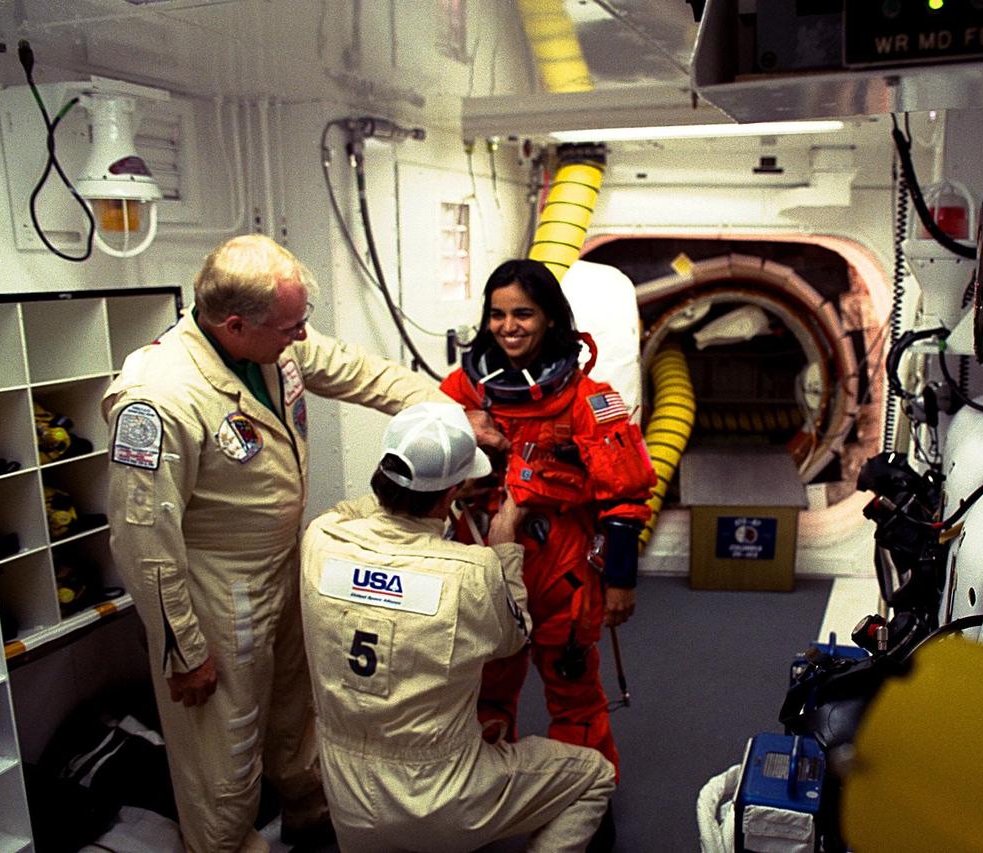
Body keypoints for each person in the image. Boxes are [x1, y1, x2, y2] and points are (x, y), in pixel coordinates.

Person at [101, 234, 487, 853]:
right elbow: (143, 538)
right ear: (234, 324)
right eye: (290, 327)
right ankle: (222, 843)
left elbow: (360, 373)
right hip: (213, 591)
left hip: (284, 567)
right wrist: (184, 649)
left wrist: (446, 414)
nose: (301, 338)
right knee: (222, 751)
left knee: (294, 714)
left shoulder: (271, 347)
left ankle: (308, 816)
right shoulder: (159, 397)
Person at [299, 402, 616, 852]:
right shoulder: (470, 572)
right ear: (452, 495)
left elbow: (367, 509)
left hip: (346, 798)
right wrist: (504, 543)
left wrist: (428, 478)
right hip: (439, 797)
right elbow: (514, 636)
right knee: (593, 776)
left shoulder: (321, 538)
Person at [440, 260, 657, 803]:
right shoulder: (461, 391)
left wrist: (621, 581)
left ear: (551, 319)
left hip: (563, 570)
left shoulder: (591, 400)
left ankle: (586, 797)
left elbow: (626, 496)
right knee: (485, 692)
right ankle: (489, 792)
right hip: (485, 566)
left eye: (523, 314)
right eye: (497, 315)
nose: (508, 327)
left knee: (574, 694)